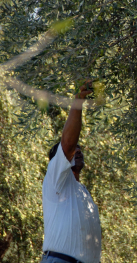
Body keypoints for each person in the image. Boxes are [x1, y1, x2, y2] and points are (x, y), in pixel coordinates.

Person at [41, 82, 101, 263]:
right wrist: (78, 103)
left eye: (80, 149)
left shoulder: (81, 190)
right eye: (75, 150)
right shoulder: (55, 176)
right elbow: (67, 144)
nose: (78, 151)